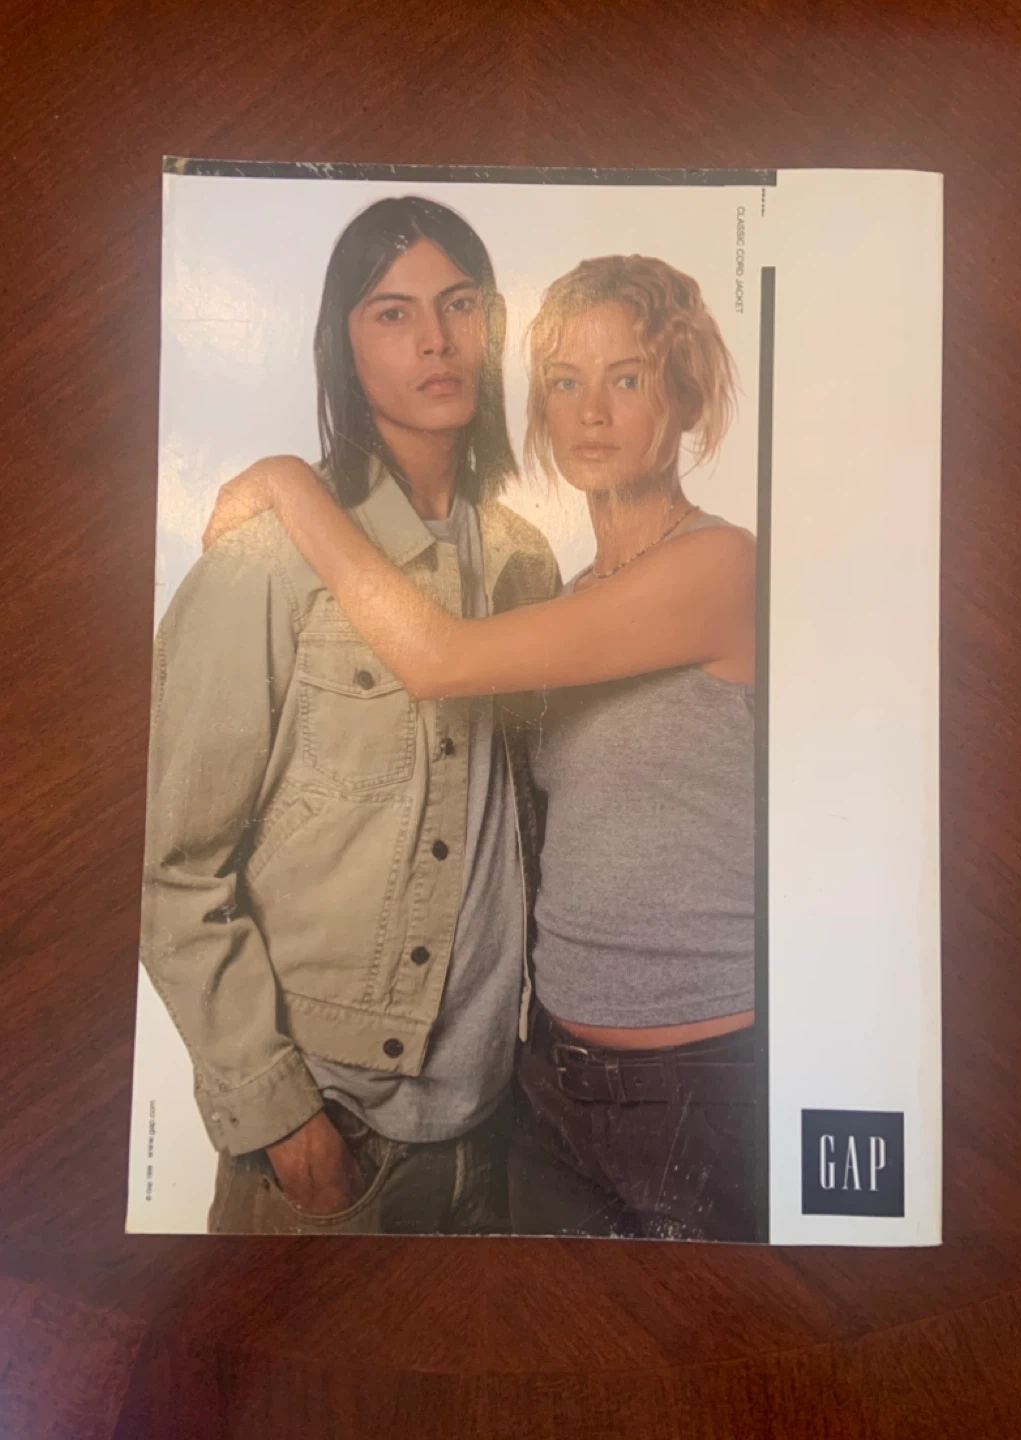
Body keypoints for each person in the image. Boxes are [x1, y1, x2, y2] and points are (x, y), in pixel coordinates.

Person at [205, 253, 758, 1241]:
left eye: (628, 378)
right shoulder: (563, 596)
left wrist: (292, 485)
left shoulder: (719, 566)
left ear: (684, 394)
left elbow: (440, 660)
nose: (592, 412)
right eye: (565, 382)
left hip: (694, 1088)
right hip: (544, 1084)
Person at [141, 196, 560, 1236]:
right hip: (336, 1140)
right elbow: (168, 863)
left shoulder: (525, 561)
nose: (436, 339)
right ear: (343, 343)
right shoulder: (269, 557)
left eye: (460, 303)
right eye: (392, 312)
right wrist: (282, 1120)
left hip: (495, 1133)